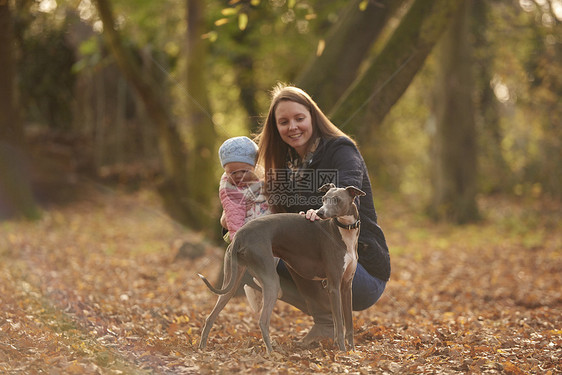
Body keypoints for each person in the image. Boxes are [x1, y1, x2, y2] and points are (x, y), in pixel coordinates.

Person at [254, 83, 391, 343]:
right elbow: (268, 212)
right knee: (252, 251)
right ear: (276, 128)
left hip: (363, 272)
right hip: (321, 261)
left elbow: (346, 187)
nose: (292, 126)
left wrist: (321, 211)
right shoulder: (286, 165)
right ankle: (326, 322)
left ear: (313, 118)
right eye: (283, 122)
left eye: (299, 118)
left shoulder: (341, 150)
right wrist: (231, 218)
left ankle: (329, 324)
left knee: (292, 245)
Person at [218, 136, 270, 242]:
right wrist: (238, 240)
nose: (238, 176)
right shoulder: (231, 189)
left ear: (254, 167)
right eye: (232, 172)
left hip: (270, 230)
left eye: (244, 171)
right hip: (247, 235)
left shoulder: (264, 176)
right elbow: (234, 216)